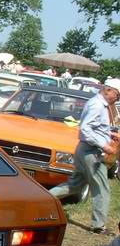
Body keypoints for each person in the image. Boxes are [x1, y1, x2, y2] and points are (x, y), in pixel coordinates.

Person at [50, 79, 120, 234]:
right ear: (108, 90)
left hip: (85, 150)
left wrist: (109, 133)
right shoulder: (97, 105)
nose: (117, 98)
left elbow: (95, 127)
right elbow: (85, 128)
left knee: (75, 185)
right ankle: (98, 226)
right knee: (102, 188)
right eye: (117, 95)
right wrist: (104, 145)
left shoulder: (98, 103)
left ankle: (42, 199)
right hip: (91, 152)